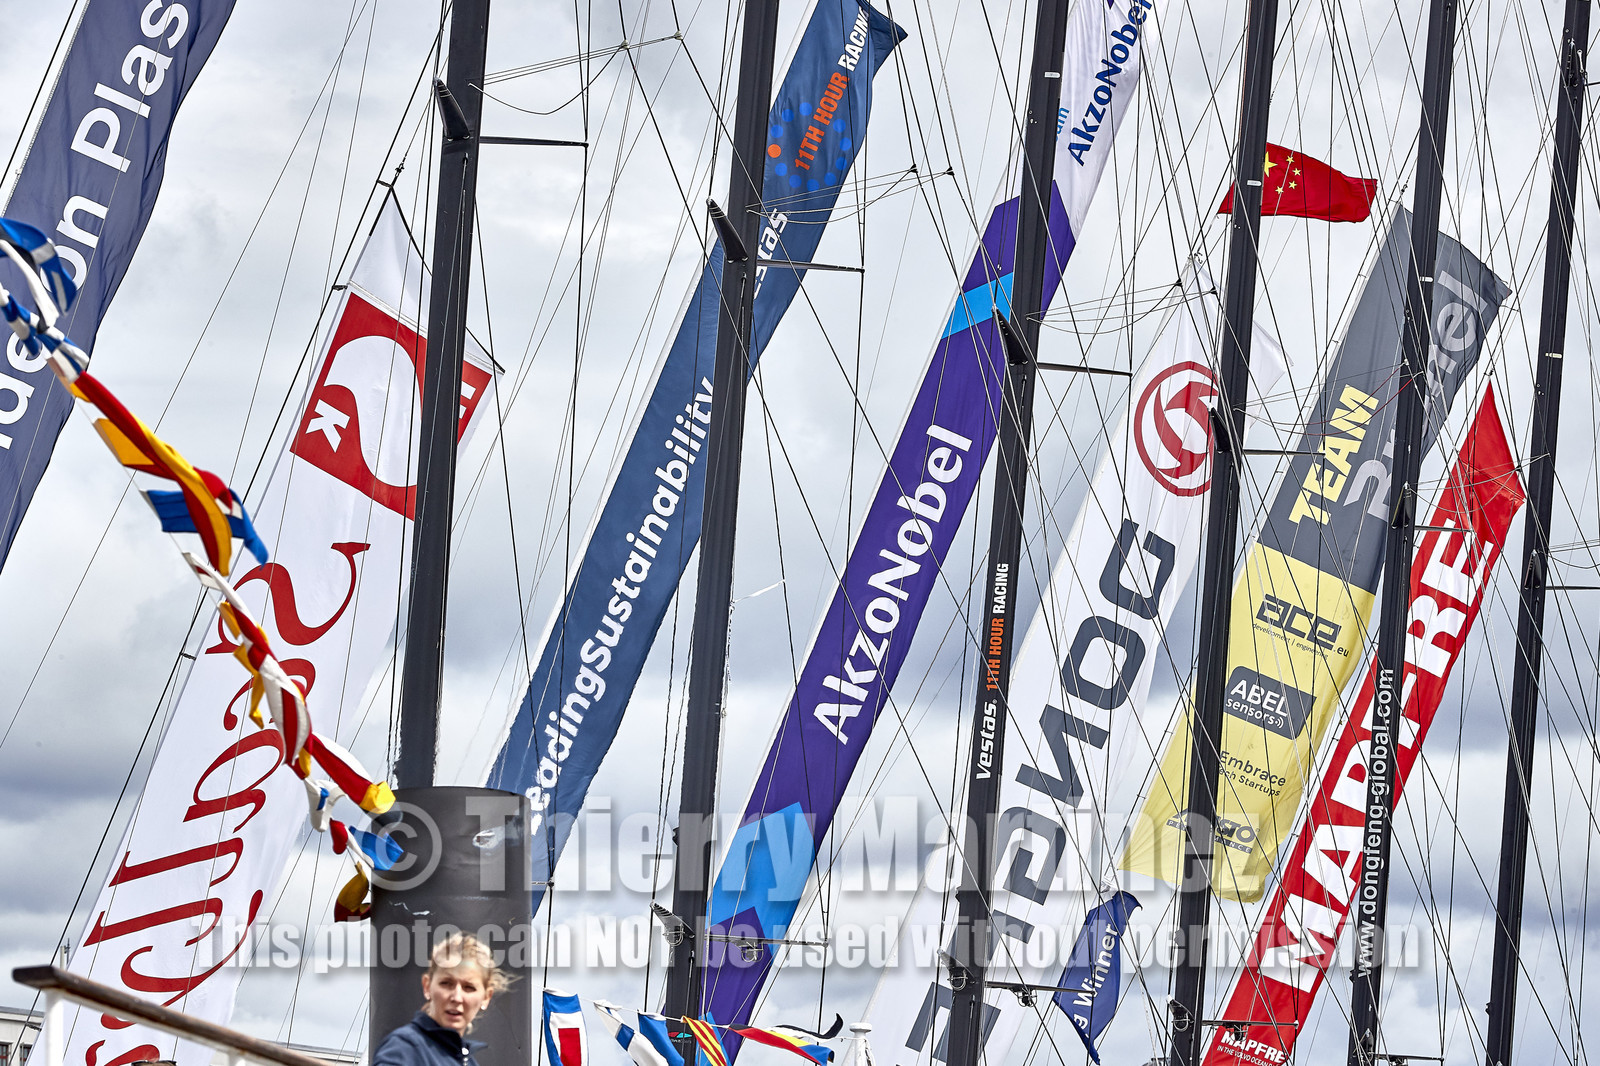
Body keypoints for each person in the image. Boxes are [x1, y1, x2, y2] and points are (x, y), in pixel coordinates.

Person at [373, 934, 509, 1066]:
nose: (456, 997)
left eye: (469, 987)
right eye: (446, 983)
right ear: (427, 986)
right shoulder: (405, 1048)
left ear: (486, 997)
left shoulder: (468, 1061)